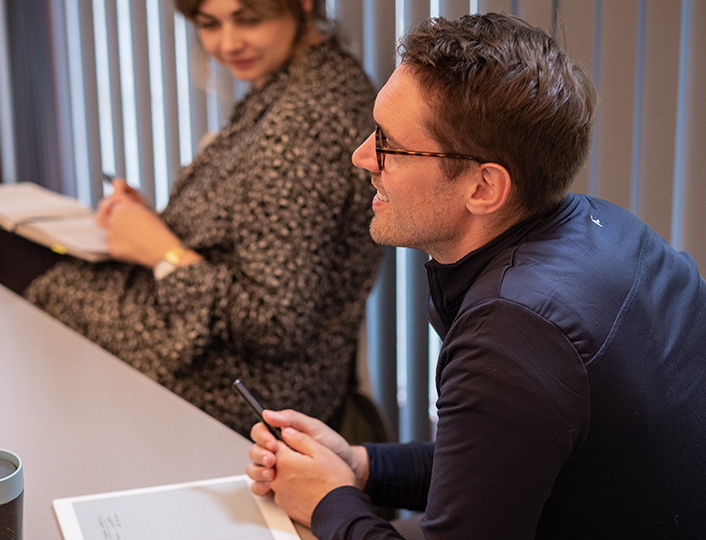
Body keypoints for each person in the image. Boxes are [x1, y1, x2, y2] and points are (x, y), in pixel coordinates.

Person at [245, 12, 706, 539]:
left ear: (484, 188)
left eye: (389, 144)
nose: (362, 157)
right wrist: (360, 464)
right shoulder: (607, 228)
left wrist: (328, 500)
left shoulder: (514, 331)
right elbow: (495, 464)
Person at [0, 0, 380, 435]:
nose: (227, 44)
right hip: (233, 342)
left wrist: (164, 250)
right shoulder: (313, 77)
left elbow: (274, 322)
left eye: (248, 20)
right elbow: (256, 227)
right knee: (15, 246)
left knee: (4, 251)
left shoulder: (304, 123)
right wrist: (154, 224)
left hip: (235, 378)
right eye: (209, 24)